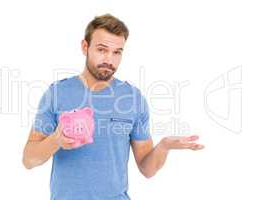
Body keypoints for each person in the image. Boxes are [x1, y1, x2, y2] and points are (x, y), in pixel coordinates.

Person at [22, 13, 204, 200]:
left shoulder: (133, 98)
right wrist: (55, 141)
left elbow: (147, 169)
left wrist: (164, 146)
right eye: (102, 49)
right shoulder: (57, 93)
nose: (110, 59)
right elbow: (28, 160)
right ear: (85, 47)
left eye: (117, 52)